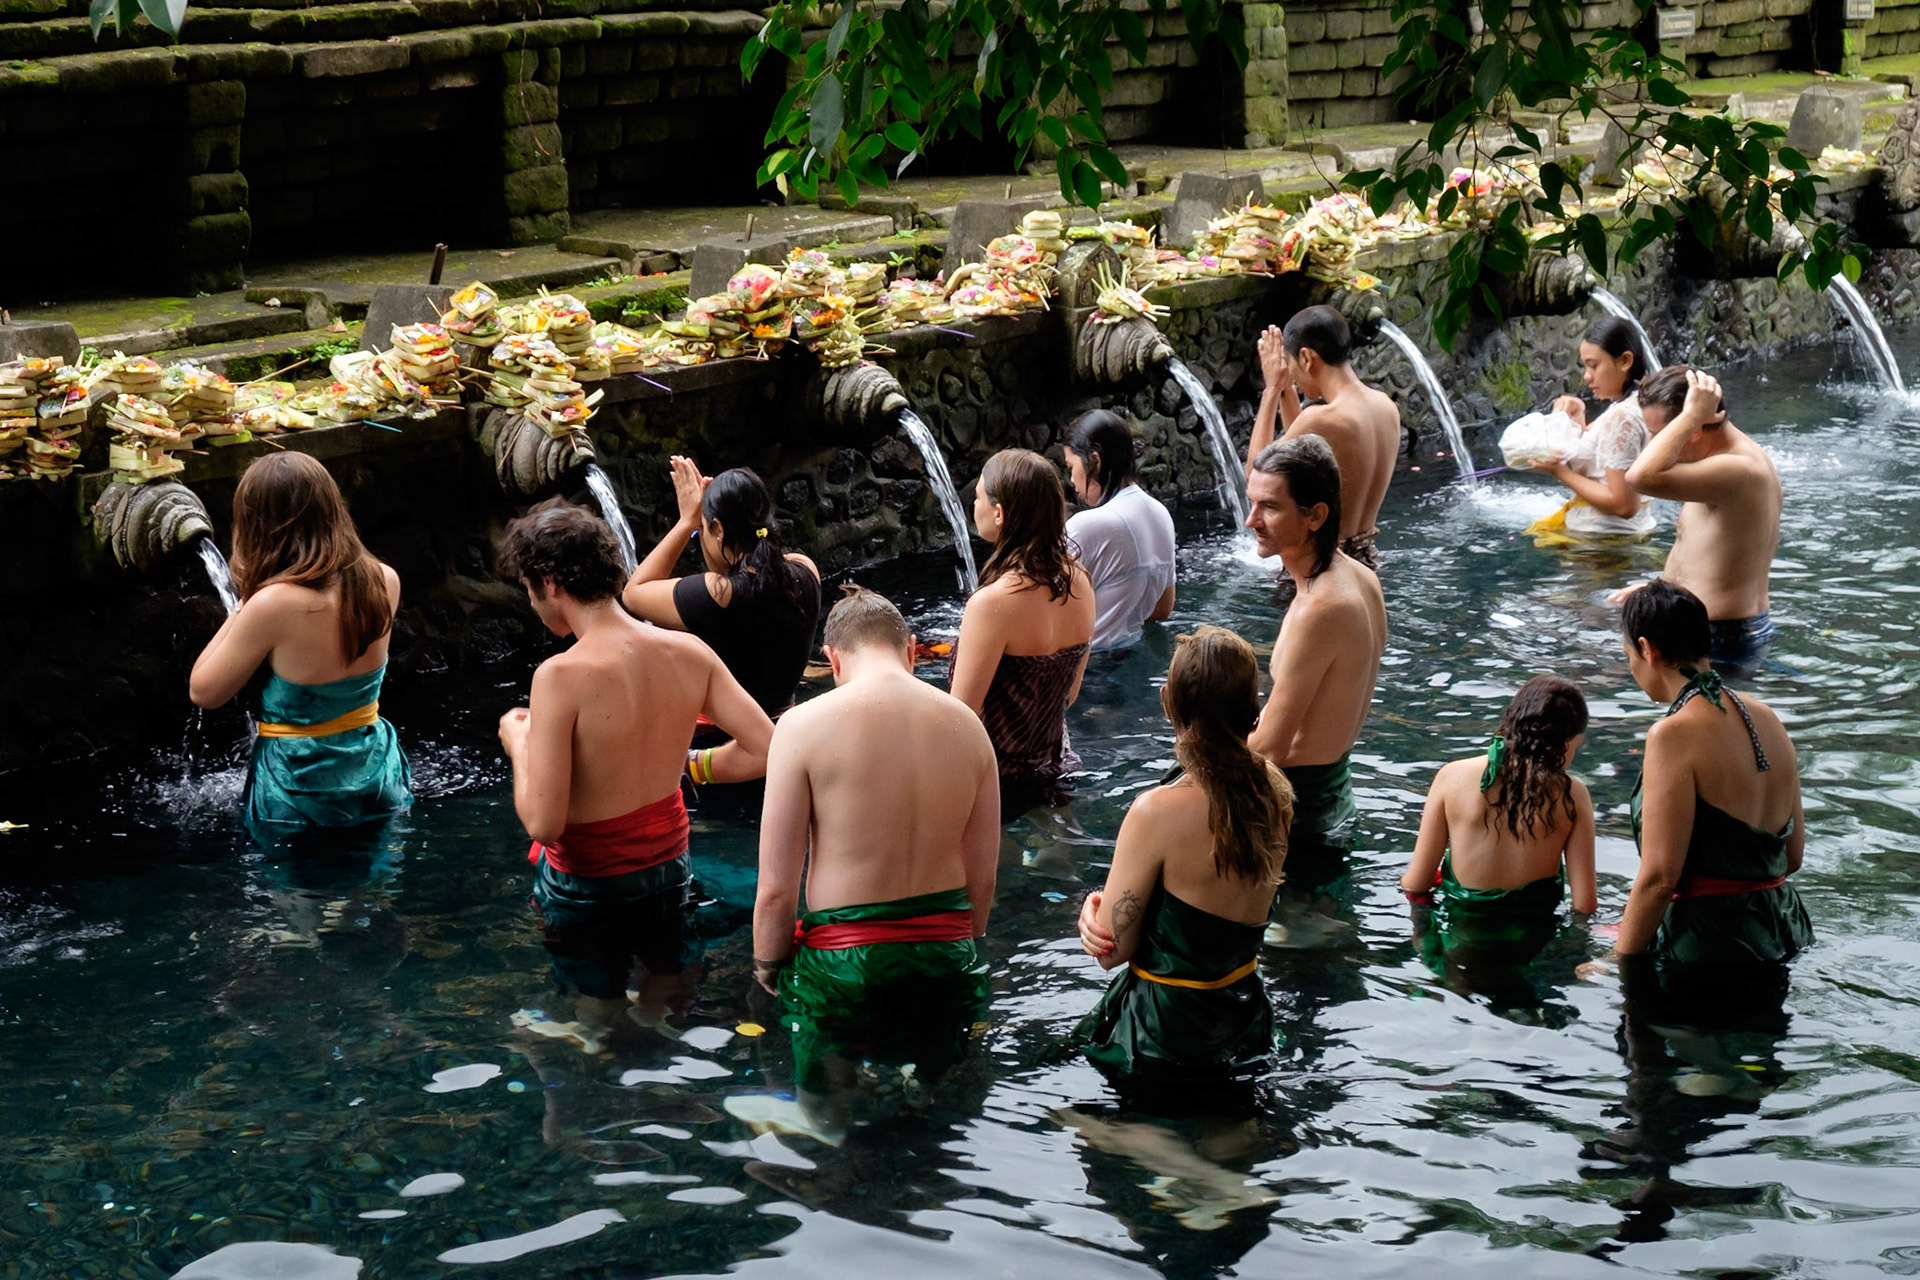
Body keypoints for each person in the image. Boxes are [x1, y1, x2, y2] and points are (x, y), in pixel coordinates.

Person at [497, 499, 774, 1047]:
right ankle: (658, 1068)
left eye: (529, 590)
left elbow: (544, 824)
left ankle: (599, 1086)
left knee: (596, 1008)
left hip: (588, 886)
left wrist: (519, 744)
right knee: (664, 988)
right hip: (668, 869)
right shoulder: (688, 652)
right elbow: (769, 747)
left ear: (549, 582)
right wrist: (693, 765)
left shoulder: (559, 676)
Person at [748, 587, 998, 1119]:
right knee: (935, 1108)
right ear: (911, 651)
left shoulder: (800, 727)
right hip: (946, 956)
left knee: (824, 1105)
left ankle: (833, 1155)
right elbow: (982, 880)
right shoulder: (969, 727)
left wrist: (767, 970)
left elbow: (776, 889)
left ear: (833, 660)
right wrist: (956, 956)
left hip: (843, 967)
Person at [1072, 627, 1293, 1105]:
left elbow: (1112, 953)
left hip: (1166, 1031)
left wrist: (1091, 915)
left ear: (1167, 703)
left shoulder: (1156, 811)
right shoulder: (1275, 792)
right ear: (1253, 710)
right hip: (1243, 1017)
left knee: (1069, 1118)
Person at [1592, 580, 1812, 981]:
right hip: (1785, 931)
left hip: (1710, 948)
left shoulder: (1671, 734)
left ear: (1647, 649)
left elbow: (1659, 879)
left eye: (1629, 655)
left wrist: (1613, 961)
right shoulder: (1768, 717)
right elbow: (1792, 857)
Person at [189, 452, 412, 834]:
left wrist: (244, 604)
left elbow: (204, 691)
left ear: (258, 526)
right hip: (375, 772)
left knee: (298, 893)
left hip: (300, 789)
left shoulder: (273, 605)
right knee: (371, 888)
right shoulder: (384, 579)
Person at [1243, 436, 1386, 882]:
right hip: (1334, 798)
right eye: (1251, 503)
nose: (1251, 520)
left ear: (1316, 516)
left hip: (1298, 818)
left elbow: (1270, 749)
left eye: (1269, 507)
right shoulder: (1360, 578)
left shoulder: (1319, 609)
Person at [1400, 675, 1598, 972]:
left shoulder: (1451, 777)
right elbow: (1585, 906)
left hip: (1461, 953)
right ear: (1565, 743)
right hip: (1531, 953)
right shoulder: (1574, 796)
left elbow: (1416, 884)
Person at [949, 448, 1096, 813]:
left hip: (994, 783)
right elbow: (1069, 695)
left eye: (979, 497)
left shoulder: (992, 603)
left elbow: (960, 718)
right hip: (1055, 767)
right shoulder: (1080, 582)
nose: (974, 505)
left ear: (999, 514)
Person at [624, 459, 822, 720]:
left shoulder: (717, 595)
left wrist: (686, 522)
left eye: (702, 530)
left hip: (721, 739)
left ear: (718, 529)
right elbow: (757, 576)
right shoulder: (806, 570)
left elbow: (633, 593)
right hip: (784, 724)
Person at [1622, 368, 1782, 675]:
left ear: (1693, 428)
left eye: (1658, 434)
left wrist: (1691, 414)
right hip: (1704, 630)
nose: (1652, 446)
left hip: (1720, 640)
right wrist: (1659, 590)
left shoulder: (1740, 469)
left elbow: (1638, 477)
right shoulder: (1716, 464)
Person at [1244, 305, 1401, 571]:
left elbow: (1256, 475)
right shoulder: (1386, 407)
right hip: (1366, 564)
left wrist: (1271, 390)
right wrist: (1287, 391)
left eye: (1292, 366)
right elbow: (1303, 457)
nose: (1292, 374)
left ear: (1306, 358)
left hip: (1322, 569)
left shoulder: (1323, 418)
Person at [1526, 317, 1657, 541]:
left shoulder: (1622, 417)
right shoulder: (1637, 404)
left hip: (1601, 545)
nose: (1587, 376)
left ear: (1625, 361)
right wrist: (1579, 419)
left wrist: (1558, 471)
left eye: (1594, 365)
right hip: (1610, 539)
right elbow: (1601, 463)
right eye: (1585, 366)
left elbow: (1623, 505)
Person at [1062, 411, 1177, 651]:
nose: (1071, 479)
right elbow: (1163, 608)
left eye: (1071, 466)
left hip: (1090, 668)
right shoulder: (1161, 514)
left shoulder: (1085, 525)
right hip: (1135, 655)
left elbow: (1045, 612)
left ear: (1095, 461)